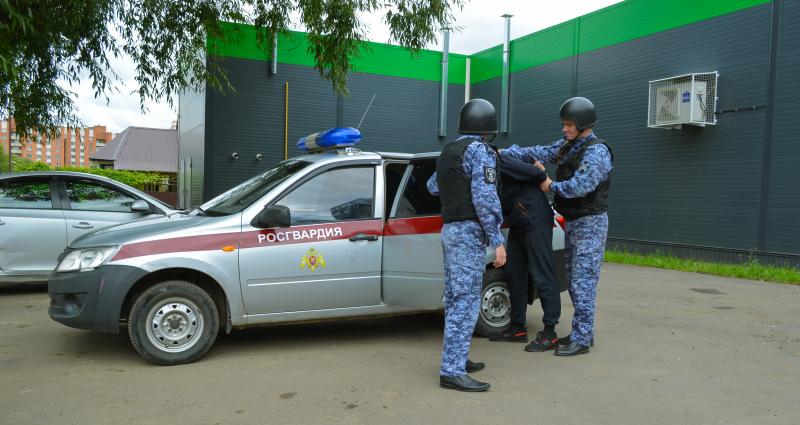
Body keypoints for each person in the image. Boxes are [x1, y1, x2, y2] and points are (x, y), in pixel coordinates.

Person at [502, 97, 613, 356]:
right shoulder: (569, 146)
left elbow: (582, 185)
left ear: (583, 124)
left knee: (583, 282)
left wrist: (550, 185)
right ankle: (580, 332)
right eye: (564, 124)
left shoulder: (596, 151)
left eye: (568, 124)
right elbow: (538, 152)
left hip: (590, 223)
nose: (564, 129)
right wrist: (504, 153)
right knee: (574, 281)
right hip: (574, 221)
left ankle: (583, 339)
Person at [427, 98, 506, 391]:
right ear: (488, 126)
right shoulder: (480, 151)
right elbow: (485, 199)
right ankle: (452, 370)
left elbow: (432, 186)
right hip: (469, 234)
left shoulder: (449, 151)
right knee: (467, 300)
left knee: (456, 298)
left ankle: (458, 357)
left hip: (450, 231)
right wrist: (498, 240)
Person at [489, 154, 562, 353]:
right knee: (514, 273)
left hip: (535, 220)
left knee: (542, 274)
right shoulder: (482, 167)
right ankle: (517, 328)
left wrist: (540, 172)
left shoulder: (500, 160)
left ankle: (550, 333)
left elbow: (533, 172)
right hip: (518, 222)